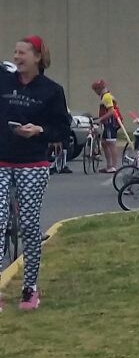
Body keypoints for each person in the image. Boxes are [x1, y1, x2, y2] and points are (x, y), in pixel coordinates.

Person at [0, 35, 71, 311]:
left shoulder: (52, 91)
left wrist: (39, 130)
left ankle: (29, 288)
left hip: (32, 163)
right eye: (15, 52)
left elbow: (62, 131)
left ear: (38, 57)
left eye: (23, 53)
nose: (17, 57)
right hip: (2, 161)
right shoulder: (4, 82)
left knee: (29, 226)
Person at [94, 78, 126, 172]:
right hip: (108, 122)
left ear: (99, 89)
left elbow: (111, 111)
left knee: (111, 143)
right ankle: (109, 165)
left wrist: (100, 119)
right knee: (104, 143)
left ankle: (113, 166)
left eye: (96, 90)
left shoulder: (106, 97)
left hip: (110, 122)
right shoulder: (106, 96)